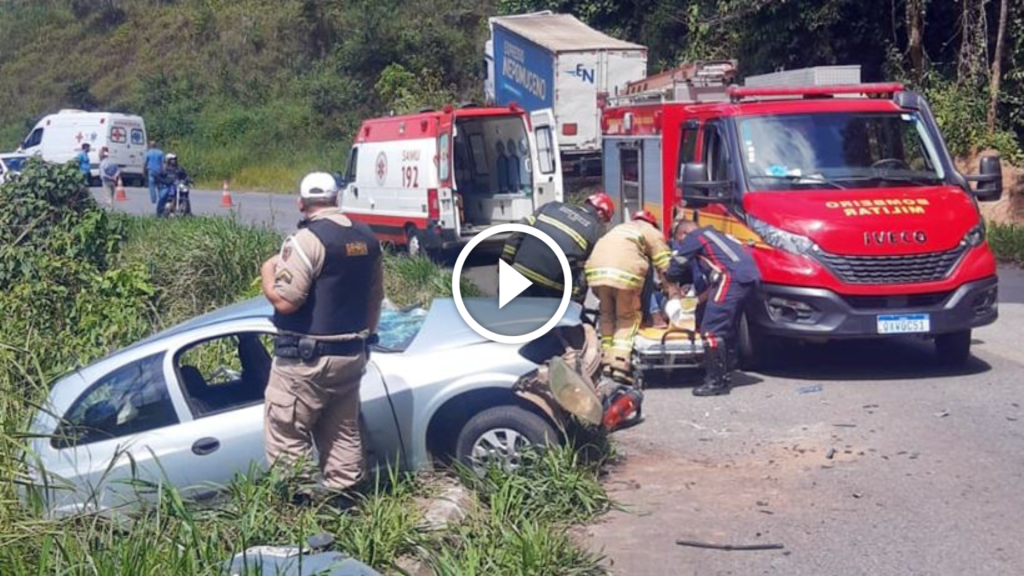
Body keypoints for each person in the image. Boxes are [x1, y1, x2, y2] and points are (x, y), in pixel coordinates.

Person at [260, 171, 384, 503]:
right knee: (342, 432)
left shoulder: (307, 240)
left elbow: (287, 301)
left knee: (287, 434)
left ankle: (299, 513)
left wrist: (267, 273)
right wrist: (366, 337)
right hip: (350, 355)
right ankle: (345, 505)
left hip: (306, 360)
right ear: (337, 198)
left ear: (301, 203)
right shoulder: (367, 239)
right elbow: (375, 298)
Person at [667, 220, 760, 396]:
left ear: (684, 233)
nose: (680, 243)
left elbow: (676, 266)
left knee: (711, 330)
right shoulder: (720, 235)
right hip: (752, 277)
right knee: (729, 326)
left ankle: (716, 381)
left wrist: (670, 278)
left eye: (678, 239)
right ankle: (728, 369)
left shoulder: (694, 237)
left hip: (730, 278)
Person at [585, 210, 672, 385]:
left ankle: (606, 360)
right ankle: (620, 363)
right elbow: (665, 264)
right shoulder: (651, 231)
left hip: (596, 274)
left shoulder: (618, 229)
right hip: (624, 275)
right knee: (627, 318)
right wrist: (670, 288)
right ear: (653, 224)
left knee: (607, 315)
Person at [500, 192, 614, 302]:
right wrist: (576, 301)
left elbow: (519, 232)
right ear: (600, 213)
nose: (602, 224)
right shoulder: (595, 230)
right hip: (550, 289)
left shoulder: (551, 206)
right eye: (605, 220)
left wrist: (506, 260)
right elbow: (587, 270)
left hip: (519, 275)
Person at [144, 141, 165, 205]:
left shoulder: (147, 153)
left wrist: (143, 171)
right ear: (156, 145)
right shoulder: (160, 153)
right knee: (160, 185)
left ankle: (153, 199)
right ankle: (161, 197)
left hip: (151, 171)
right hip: (158, 171)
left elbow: (145, 163)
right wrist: (163, 171)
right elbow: (163, 163)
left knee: (152, 186)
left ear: (150, 146)